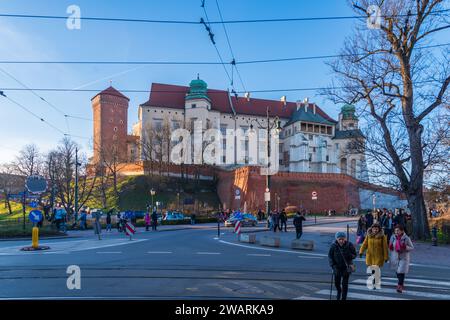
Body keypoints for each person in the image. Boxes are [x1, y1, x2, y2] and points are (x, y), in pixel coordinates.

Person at [328, 231, 357, 300]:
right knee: (337, 283)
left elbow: (354, 255)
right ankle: (339, 291)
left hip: (346, 268)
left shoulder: (349, 245)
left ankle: (343, 297)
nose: (341, 241)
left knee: (345, 285)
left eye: (343, 239)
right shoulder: (333, 246)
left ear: (345, 239)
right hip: (337, 267)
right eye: (339, 239)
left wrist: (349, 254)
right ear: (337, 239)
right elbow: (330, 256)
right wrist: (333, 265)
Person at [389, 225, 414, 293]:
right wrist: (390, 246)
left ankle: (399, 286)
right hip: (395, 256)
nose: (396, 232)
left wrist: (405, 247)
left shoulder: (406, 238)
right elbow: (390, 245)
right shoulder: (393, 237)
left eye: (398, 230)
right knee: (397, 271)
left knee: (401, 271)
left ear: (402, 231)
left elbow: (412, 247)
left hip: (403, 257)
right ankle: (401, 282)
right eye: (395, 230)